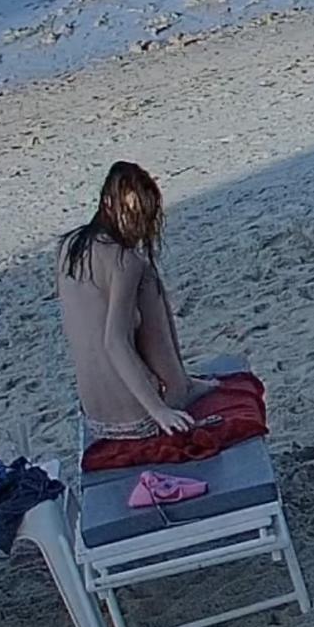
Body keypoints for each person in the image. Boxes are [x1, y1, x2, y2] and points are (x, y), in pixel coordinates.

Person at [57, 161, 217, 440]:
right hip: (139, 416)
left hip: (95, 415)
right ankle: (180, 385)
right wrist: (159, 411)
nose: (138, 227)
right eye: (133, 215)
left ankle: (181, 382)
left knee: (127, 295)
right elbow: (114, 342)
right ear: (108, 204)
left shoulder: (67, 245)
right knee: (147, 277)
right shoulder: (125, 261)